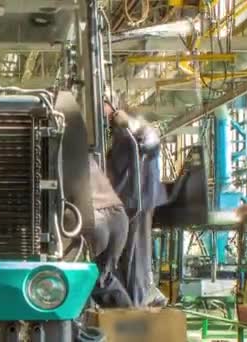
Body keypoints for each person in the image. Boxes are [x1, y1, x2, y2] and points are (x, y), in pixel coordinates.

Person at [104, 97, 169, 307]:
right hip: (121, 203)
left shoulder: (137, 126)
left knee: (135, 256)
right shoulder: (114, 135)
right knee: (119, 257)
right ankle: (126, 305)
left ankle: (138, 304)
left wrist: (128, 124)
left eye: (104, 108)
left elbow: (151, 143)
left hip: (138, 201)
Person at [85, 157, 133, 308]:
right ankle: (134, 326)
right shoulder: (83, 153)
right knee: (102, 280)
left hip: (93, 218)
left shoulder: (49, 147)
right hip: (119, 217)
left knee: (75, 278)